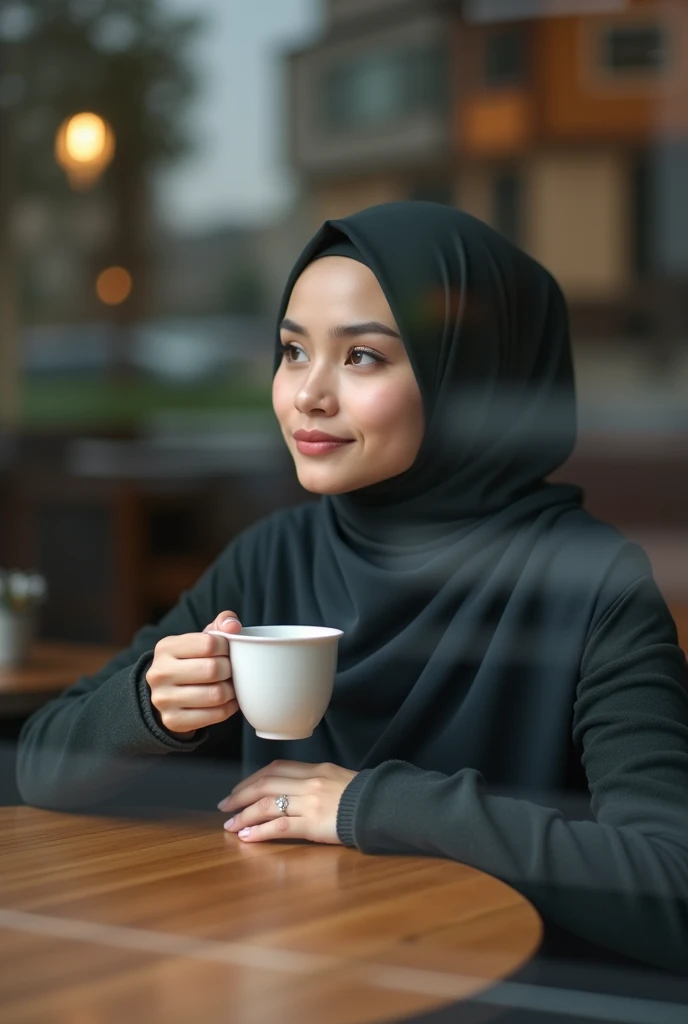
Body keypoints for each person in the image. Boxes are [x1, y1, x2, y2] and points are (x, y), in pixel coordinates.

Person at [16, 202, 688, 974]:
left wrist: (374, 805)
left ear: (468, 379)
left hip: (498, 988)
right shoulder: (274, 556)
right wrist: (149, 705)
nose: (308, 394)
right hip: (288, 974)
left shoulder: (591, 581)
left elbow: (671, 885)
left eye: (362, 357)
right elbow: (41, 764)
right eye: (293, 351)